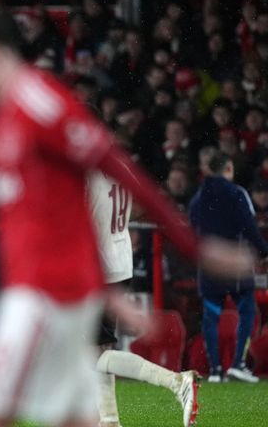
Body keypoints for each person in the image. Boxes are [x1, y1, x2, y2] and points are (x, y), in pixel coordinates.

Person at [0, 6, 254, 427]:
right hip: (64, 281)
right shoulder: (6, 110)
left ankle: (174, 383)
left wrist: (196, 249)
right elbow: (61, 216)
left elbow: (119, 169)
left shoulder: (37, 102)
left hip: (44, 295)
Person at [88, 171, 198, 427]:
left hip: (98, 268)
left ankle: (176, 381)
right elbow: (139, 207)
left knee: (90, 354)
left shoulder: (86, 175)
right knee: (100, 349)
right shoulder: (120, 170)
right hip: (121, 262)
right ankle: (109, 420)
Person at [189, 152, 268, 383]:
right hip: (234, 264)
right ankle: (237, 364)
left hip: (209, 267)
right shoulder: (237, 193)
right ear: (228, 168)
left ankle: (215, 371)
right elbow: (249, 227)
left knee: (211, 317)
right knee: (247, 311)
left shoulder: (197, 198)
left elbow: (192, 229)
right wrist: (264, 251)